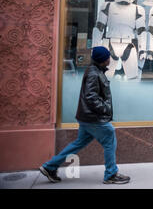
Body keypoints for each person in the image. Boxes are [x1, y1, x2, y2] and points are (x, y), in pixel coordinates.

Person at [39, 46, 130, 184]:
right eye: (108, 57)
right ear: (103, 60)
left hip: (86, 117)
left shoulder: (95, 70)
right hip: (93, 118)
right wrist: (105, 109)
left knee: (78, 144)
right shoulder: (94, 73)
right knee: (109, 138)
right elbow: (91, 97)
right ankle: (111, 174)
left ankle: (50, 167)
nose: (110, 58)